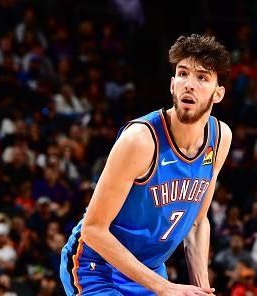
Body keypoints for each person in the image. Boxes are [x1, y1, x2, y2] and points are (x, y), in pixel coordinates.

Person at [60, 33, 232, 295]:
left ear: (218, 93)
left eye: (202, 78)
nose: (190, 84)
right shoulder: (141, 140)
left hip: (149, 270)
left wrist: (202, 289)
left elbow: (197, 223)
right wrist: (164, 288)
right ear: (172, 84)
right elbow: (94, 229)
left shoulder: (220, 138)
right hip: (96, 267)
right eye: (183, 74)